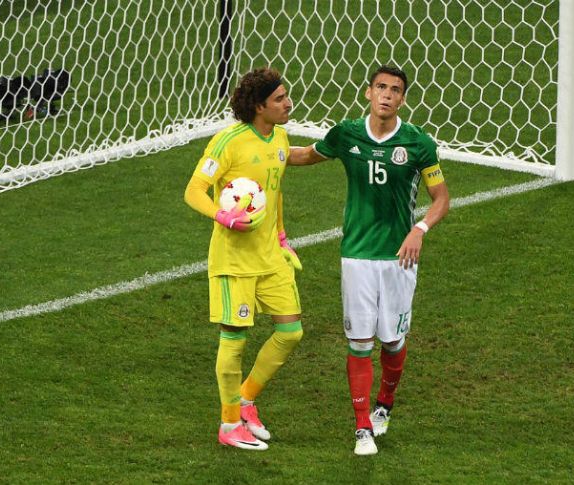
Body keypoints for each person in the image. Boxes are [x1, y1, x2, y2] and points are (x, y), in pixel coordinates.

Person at [288, 65, 450, 455]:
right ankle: (362, 428)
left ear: (403, 99)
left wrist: (420, 229)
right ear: (368, 92)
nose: (387, 95)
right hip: (357, 255)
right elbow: (306, 156)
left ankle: (385, 404)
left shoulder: (418, 144)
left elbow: (441, 198)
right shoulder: (346, 133)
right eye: (381, 87)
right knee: (359, 342)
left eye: (395, 90)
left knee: (392, 342)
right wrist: (260, 154)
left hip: (398, 258)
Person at [184, 67, 304, 451]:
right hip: (234, 261)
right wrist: (222, 216)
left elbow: (274, 191)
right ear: (258, 106)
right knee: (234, 340)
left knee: (290, 332)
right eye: (280, 99)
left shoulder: (281, 137)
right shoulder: (228, 143)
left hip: (270, 256)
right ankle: (229, 422)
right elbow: (194, 190)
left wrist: (282, 235)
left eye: (286, 96)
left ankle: (247, 399)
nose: (288, 104)